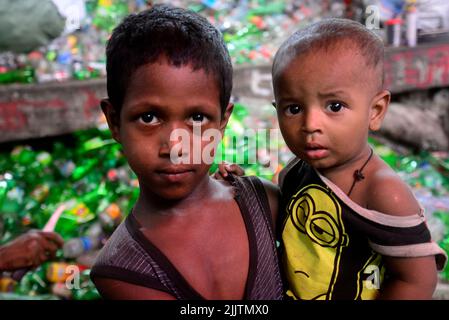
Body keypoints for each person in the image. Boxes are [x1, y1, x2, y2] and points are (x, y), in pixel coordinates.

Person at [219, 18, 447, 300]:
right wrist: (247, 188)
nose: (310, 124)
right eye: (293, 109)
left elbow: (417, 280)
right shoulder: (301, 169)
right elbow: (290, 217)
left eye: (334, 106)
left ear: (375, 111)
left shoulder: (383, 192)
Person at [89, 4, 283, 300]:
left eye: (197, 118)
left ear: (222, 121)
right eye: (149, 117)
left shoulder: (265, 204)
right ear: (114, 122)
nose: (176, 147)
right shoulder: (122, 269)